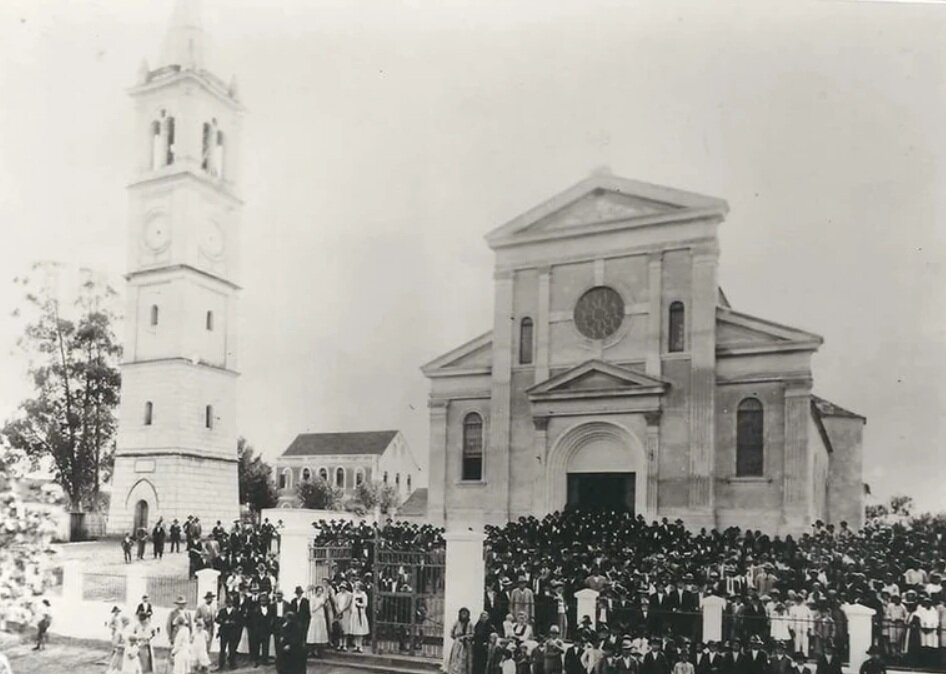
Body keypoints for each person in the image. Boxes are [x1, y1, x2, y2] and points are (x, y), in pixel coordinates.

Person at [216, 594, 243, 671]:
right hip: (224, 633)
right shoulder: (222, 611)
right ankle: (221, 665)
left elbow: (239, 622)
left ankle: (232, 664)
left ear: (232, 603)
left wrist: (232, 622)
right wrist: (224, 621)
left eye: (230, 602)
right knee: (222, 649)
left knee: (232, 649)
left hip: (232, 633)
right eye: (227, 602)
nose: (229, 603)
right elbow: (217, 619)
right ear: (225, 603)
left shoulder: (236, 611)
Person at [449, 607, 475, 674]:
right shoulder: (457, 623)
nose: (463, 615)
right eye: (462, 613)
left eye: (465, 614)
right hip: (458, 644)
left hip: (466, 644)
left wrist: (466, 637)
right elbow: (452, 632)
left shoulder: (470, 624)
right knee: (456, 659)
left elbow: (473, 634)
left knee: (466, 659)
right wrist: (456, 638)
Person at [308, 584, 331, 656]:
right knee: (314, 634)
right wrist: (319, 605)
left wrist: (325, 604)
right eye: (318, 591)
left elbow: (325, 606)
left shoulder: (322, 598)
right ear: (316, 591)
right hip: (315, 617)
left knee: (320, 634)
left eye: (321, 591)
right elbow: (312, 609)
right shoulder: (313, 598)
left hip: (321, 617)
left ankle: (319, 651)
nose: (319, 593)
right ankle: (313, 650)